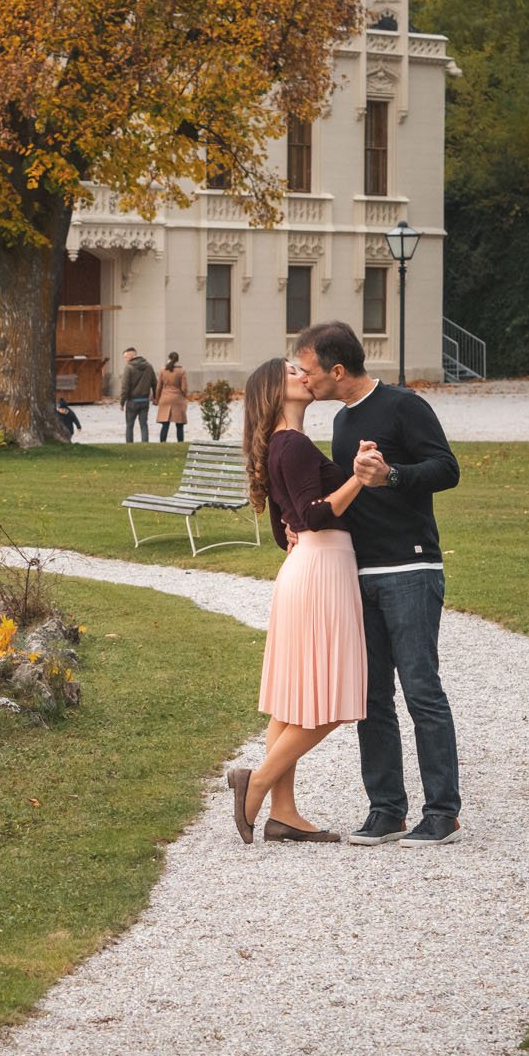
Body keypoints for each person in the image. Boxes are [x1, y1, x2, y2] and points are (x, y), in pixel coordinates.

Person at [291, 321, 463, 847]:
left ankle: (442, 813)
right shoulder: (343, 423)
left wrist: (392, 476)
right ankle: (386, 808)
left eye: (308, 369)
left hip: (410, 570)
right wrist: (297, 525)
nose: (303, 378)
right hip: (359, 572)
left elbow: (447, 469)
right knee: (371, 697)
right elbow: (338, 493)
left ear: (337, 370)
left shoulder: (403, 406)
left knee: (421, 690)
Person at [225, 356, 367, 845]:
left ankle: (284, 814)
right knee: (333, 702)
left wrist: (297, 528)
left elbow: (285, 525)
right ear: (274, 392)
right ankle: (257, 785)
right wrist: (359, 478)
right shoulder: (295, 444)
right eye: (292, 373)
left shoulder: (280, 447)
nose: (304, 376)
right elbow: (312, 515)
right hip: (322, 569)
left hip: (305, 567)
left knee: (290, 705)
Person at [119, 347, 156, 443]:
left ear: (131, 356)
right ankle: (145, 444)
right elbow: (154, 383)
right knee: (144, 424)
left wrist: (122, 402)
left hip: (132, 401)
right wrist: (155, 397)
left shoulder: (129, 368)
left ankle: (130, 445)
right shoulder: (149, 366)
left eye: (125, 357)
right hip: (144, 400)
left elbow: (125, 387)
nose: (125, 359)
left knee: (130, 425)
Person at [154, 351, 190, 442]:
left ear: (168, 358)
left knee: (165, 424)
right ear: (178, 359)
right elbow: (184, 388)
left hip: (165, 397)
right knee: (179, 424)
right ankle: (180, 442)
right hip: (177, 399)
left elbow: (158, 387)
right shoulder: (181, 371)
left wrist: (157, 399)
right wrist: (185, 396)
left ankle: (162, 443)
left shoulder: (163, 370)